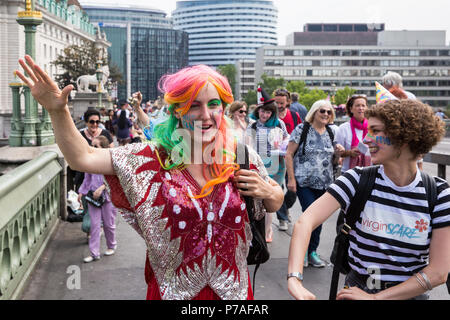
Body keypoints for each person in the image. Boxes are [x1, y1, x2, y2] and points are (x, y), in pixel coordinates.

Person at [16, 55, 283, 300]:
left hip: (233, 292)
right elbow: (82, 157)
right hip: (174, 292)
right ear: (177, 110)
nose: (206, 115)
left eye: (214, 104)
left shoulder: (240, 155)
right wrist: (56, 111)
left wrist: (269, 192)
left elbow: (274, 200)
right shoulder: (151, 158)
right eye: (194, 105)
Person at [287, 99, 450, 300]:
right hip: (356, 290)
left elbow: (439, 272)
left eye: (375, 131)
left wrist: (375, 299)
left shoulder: (439, 194)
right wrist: (294, 278)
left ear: (404, 137)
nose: (366, 139)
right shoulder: (356, 180)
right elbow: (305, 221)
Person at [285, 100, 343, 268]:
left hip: (325, 183)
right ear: (314, 112)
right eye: (322, 111)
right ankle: (302, 252)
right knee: (310, 214)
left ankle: (312, 252)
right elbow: (289, 154)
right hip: (304, 181)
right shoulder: (301, 129)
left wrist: (338, 154)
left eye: (329, 112)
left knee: (319, 218)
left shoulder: (331, 132)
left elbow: (333, 160)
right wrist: (291, 179)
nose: (325, 114)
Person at [247, 89, 290, 242]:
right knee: (256, 198)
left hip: (276, 166)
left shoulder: (279, 124)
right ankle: (258, 229)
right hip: (258, 165)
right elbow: (247, 146)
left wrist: (282, 146)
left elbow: (287, 141)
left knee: (268, 197)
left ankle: (267, 230)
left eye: (268, 113)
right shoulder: (252, 126)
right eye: (262, 112)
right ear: (258, 111)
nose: (265, 115)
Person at [78, 135, 117, 263]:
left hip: (108, 197)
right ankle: (94, 253)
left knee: (108, 224)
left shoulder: (110, 161)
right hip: (93, 198)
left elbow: (114, 180)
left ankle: (111, 245)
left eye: (96, 146)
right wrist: (81, 193)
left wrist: (102, 188)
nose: (93, 148)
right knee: (94, 226)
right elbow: (87, 179)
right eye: (92, 145)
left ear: (103, 148)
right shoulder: (90, 162)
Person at [272, 88, 302, 231]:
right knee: (278, 188)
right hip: (275, 159)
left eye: (281, 103)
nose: (278, 105)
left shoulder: (295, 116)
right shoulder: (270, 116)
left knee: (293, 189)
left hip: (292, 158)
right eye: (276, 102)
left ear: (288, 102)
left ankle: (284, 208)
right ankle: (282, 218)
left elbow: (301, 133)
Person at [336, 94, 371, 172]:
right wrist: (350, 153)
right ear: (351, 109)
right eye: (357, 105)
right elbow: (338, 153)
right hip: (348, 172)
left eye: (363, 105)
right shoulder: (343, 128)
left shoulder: (372, 127)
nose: (361, 108)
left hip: (370, 172)